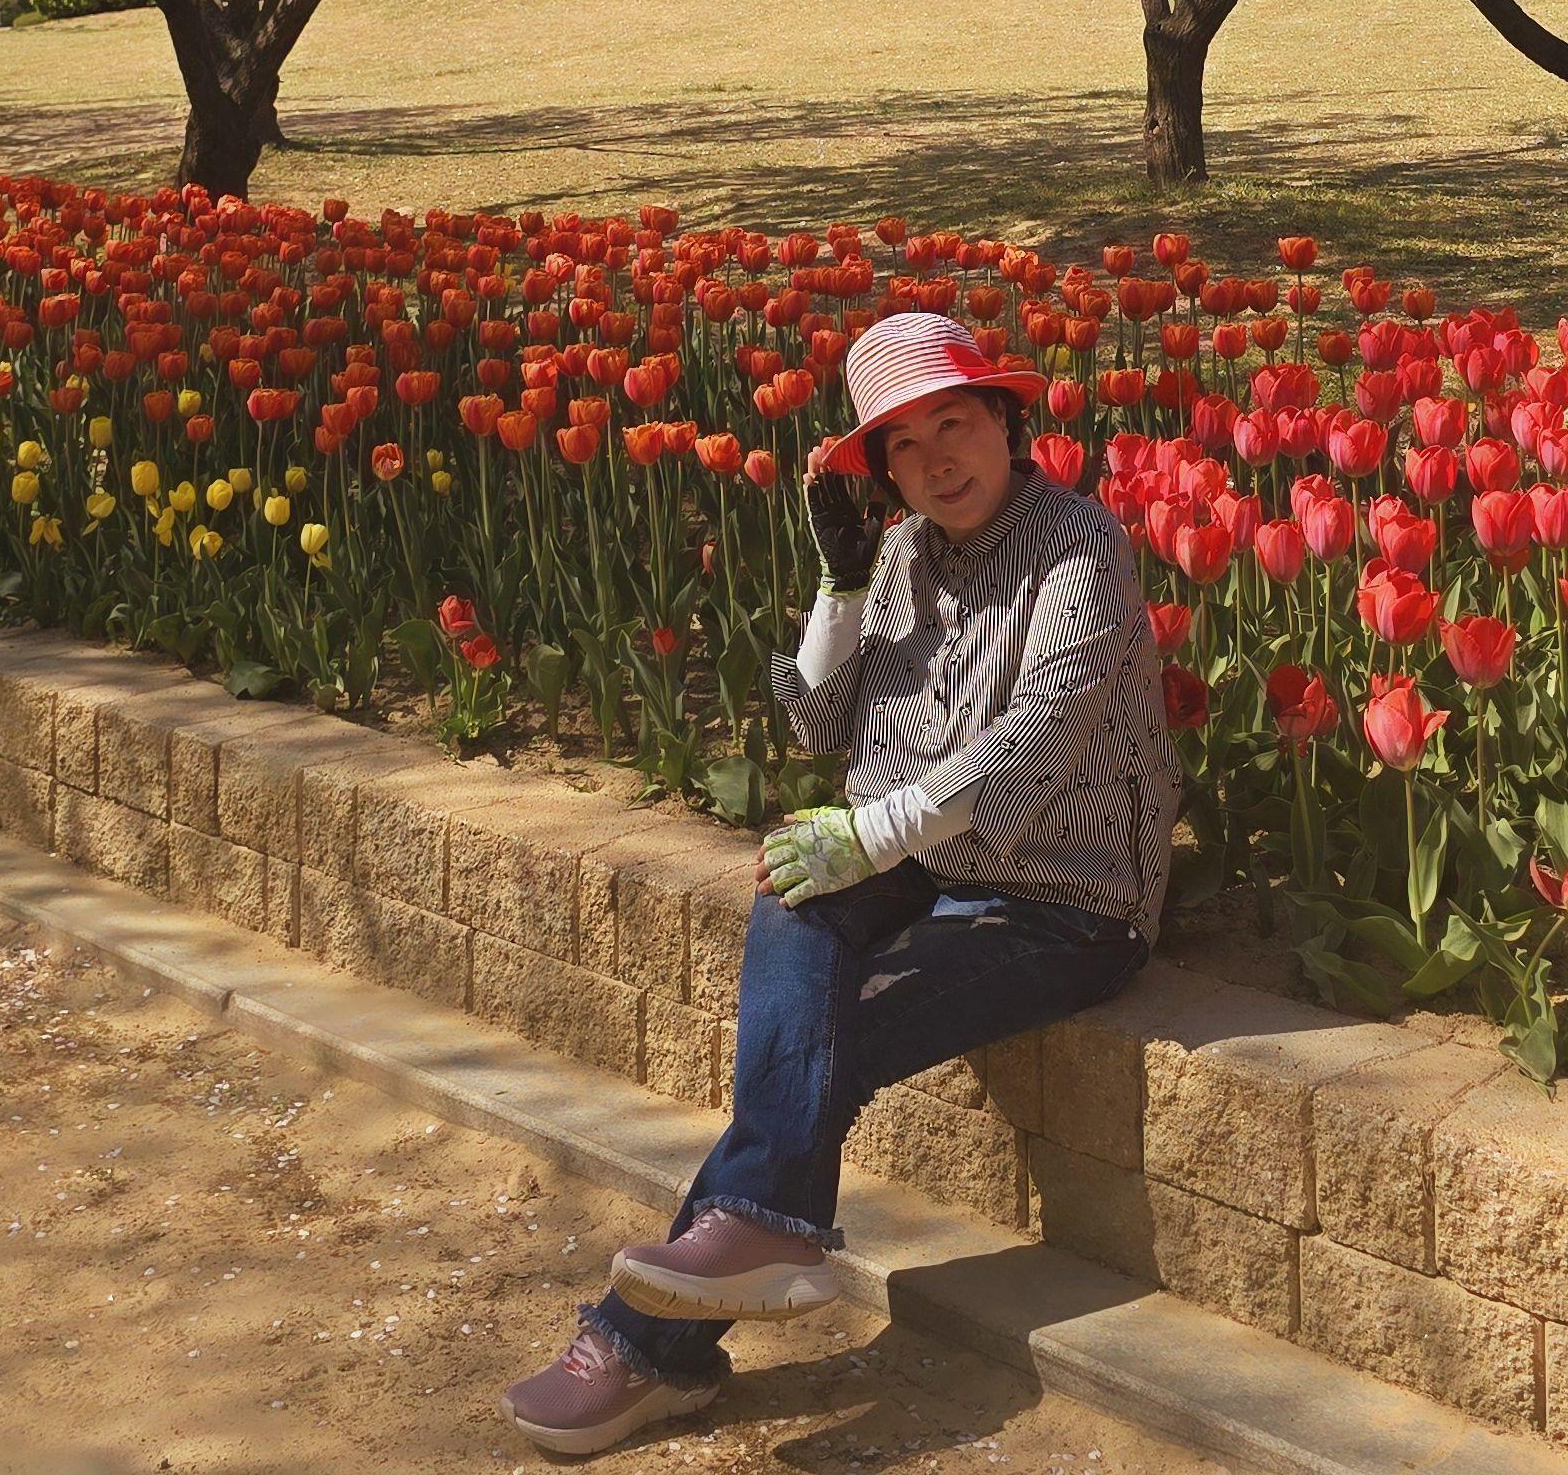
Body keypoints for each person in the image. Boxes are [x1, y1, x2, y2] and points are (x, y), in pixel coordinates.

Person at [501, 310, 1177, 1458]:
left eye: (952, 424)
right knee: (790, 888)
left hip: (1066, 899)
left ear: (1005, 420)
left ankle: (648, 1344)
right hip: (925, 860)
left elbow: (1039, 735)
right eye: (903, 445)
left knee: (831, 1043)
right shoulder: (903, 553)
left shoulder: (1079, 546)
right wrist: (843, 583)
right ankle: (753, 1241)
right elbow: (820, 721)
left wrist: (874, 834)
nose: (935, 462)